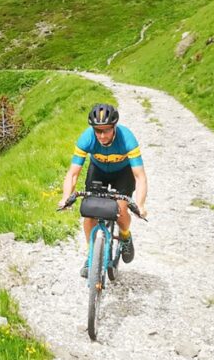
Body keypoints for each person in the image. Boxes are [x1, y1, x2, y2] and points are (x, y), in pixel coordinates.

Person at [57, 103, 148, 278]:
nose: (102, 135)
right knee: (90, 212)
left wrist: (141, 204)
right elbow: (73, 174)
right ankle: (91, 255)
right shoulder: (86, 138)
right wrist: (66, 197)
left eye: (106, 130)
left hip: (123, 173)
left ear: (114, 127)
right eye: (97, 131)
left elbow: (140, 176)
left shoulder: (127, 139)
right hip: (98, 171)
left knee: (121, 210)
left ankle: (125, 236)